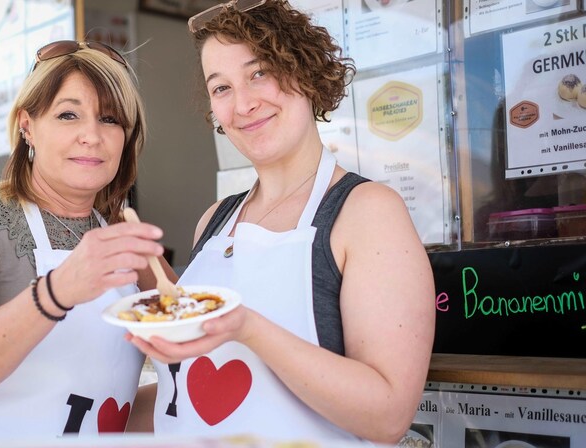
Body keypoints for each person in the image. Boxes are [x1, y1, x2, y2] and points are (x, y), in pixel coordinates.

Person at [126, 0, 435, 444]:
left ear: (304, 70)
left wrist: (248, 328)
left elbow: (387, 416)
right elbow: (191, 393)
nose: (244, 104)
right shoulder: (214, 222)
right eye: (221, 88)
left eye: (259, 73)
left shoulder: (367, 212)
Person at [0, 40, 175, 446]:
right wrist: (58, 290)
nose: (91, 136)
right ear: (28, 126)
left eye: (110, 119)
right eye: (68, 115)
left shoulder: (126, 242)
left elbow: (125, 399)